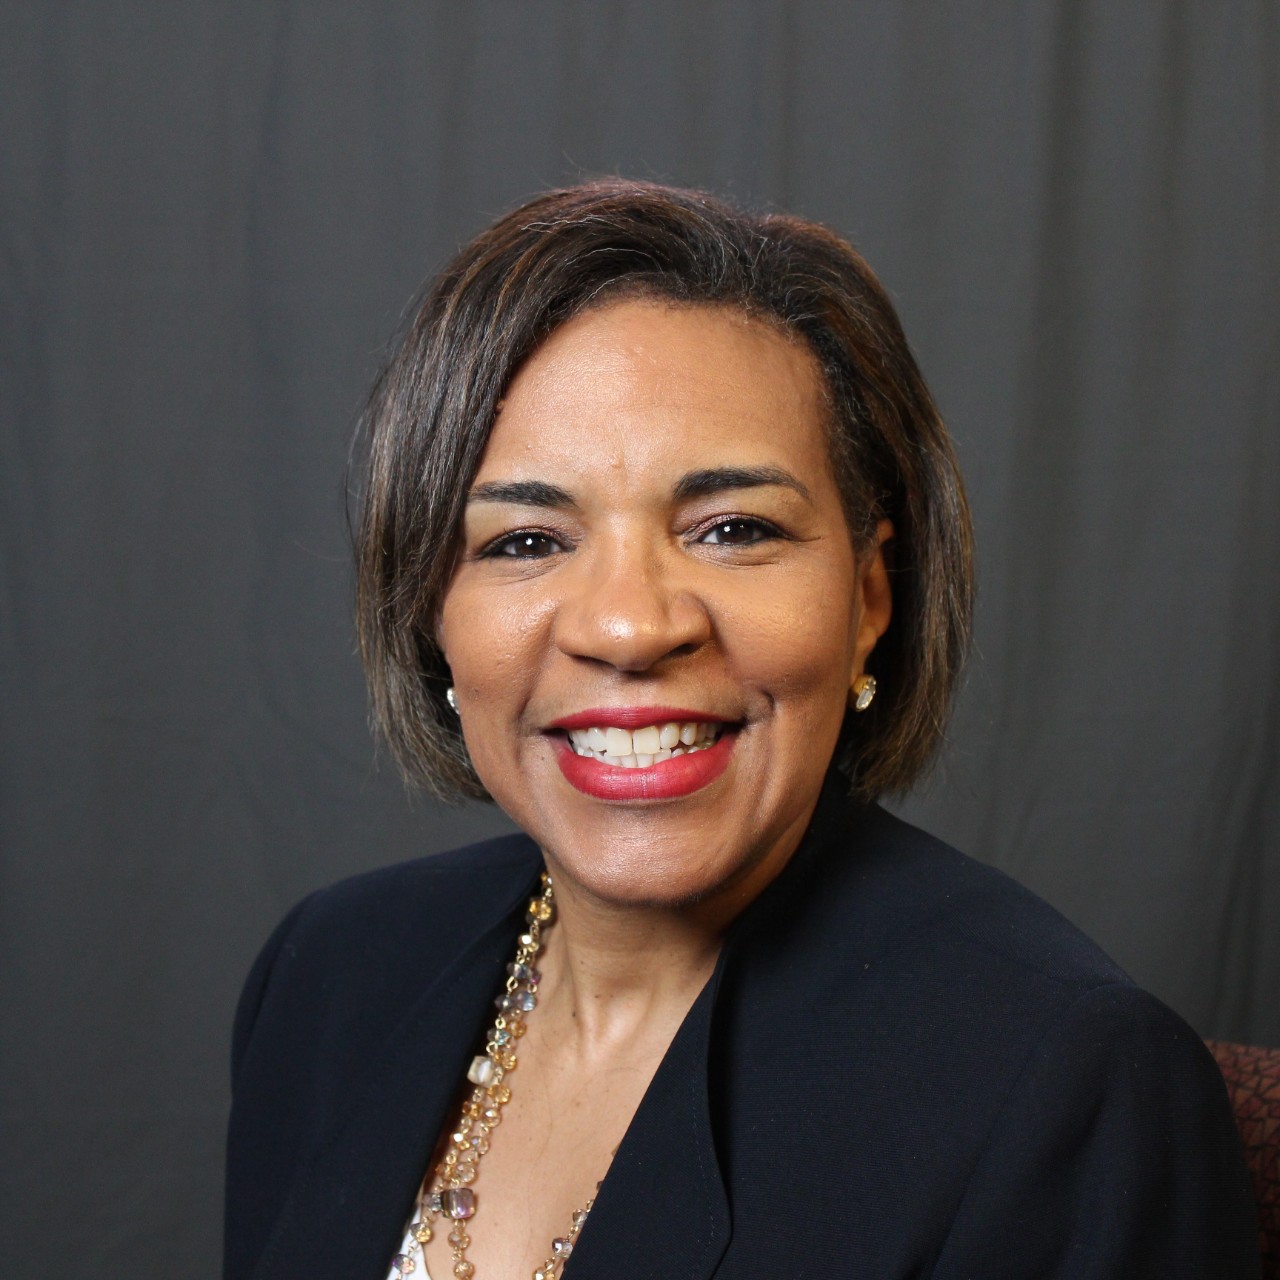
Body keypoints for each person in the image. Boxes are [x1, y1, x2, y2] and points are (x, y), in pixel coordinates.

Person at [224, 181, 1259, 1280]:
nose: (628, 624)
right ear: (430, 613)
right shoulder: (328, 975)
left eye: (731, 529)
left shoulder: (1064, 1090)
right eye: (525, 541)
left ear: (869, 595)